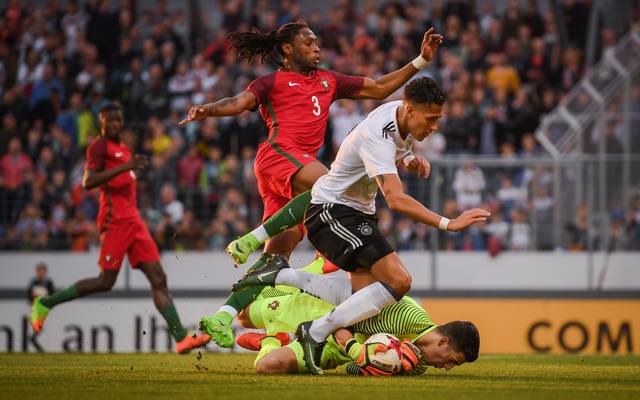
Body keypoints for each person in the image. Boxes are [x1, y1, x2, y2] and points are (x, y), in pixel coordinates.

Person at [179, 22, 444, 346]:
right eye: (309, 43)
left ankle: (222, 317)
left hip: (293, 174)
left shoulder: (328, 81)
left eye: (317, 42)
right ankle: (250, 238)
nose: (317, 48)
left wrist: (420, 61)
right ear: (288, 49)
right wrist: (209, 109)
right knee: (331, 190)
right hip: (279, 156)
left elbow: (377, 88)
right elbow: (239, 102)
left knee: (275, 258)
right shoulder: (271, 81)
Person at [233, 77, 490, 373]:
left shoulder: (400, 121)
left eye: (438, 119)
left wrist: (407, 157)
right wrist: (449, 223)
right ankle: (313, 332)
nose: (434, 127)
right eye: (431, 119)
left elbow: (395, 143)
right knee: (400, 281)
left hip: (356, 213)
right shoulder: (377, 136)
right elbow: (395, 199)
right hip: (333, 211)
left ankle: (279, 276)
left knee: (361, 293)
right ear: (409, 108)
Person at [30, 102, 209, 354]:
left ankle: (181, 338)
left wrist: (127, 167)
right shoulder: (99, 146)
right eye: (109, 121)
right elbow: (88, 181)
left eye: (118, 120)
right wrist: (125, 167)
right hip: (115, 220)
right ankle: (45, 302)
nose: (115, 124)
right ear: (101, 123)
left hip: (134, 220)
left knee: (158, 276)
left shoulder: (124, 148)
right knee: (106, 281)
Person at [201, 255, 479, 376]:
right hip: (323, 314)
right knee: (246, 316)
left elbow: (354, 368)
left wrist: (368, 364)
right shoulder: (406, 314)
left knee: (266, 367)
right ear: (443, 342)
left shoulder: (416, 365)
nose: (447, 368)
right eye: (452, 361)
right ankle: (289, 273)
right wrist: (356, 348)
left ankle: (271, 341)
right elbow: (346, 315)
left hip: (332, 349)